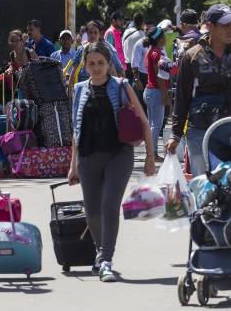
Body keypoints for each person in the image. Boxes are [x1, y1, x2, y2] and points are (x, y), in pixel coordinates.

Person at [68, 42, 156, 282]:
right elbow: (76, 130)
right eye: (91, 64)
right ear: (84, 66)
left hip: (119, 154)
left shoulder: (121, 86)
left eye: (101, 63)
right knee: (92, 211)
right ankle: (99, 251)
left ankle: (106, 259)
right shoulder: (79, 90)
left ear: (109, 64)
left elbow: (144, 122)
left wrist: (150, 157)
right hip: (88, 156)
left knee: (109, 206)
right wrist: (72, 165)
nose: (96, 68)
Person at [166, 4, 231, 176]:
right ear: (210, 25)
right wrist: (176, 134)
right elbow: (182, 97)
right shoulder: (191, 56)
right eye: (224, 25)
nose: (230, 29)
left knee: (230, 183)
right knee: (202, 184)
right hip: (198, 130)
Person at [67, 20, 125, 94]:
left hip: (102, 90)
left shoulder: (106, 50)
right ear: (87, 34)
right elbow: (74, 71)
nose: (93, 35)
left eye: (95, 32)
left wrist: (116, 91)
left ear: (100, 34)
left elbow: (113, 71)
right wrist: (70, 90)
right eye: (90, 32)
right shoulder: (81, 50)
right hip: (84, 91)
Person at [143, 26, 170, 161]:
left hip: (151, 91)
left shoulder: (152, 51)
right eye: (164, 35)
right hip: (155, 91)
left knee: (152, 124)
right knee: (156, 125)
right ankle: (152, 153)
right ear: (160, 38)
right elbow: (159, 76)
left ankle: (151, 152)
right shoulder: (156, 54)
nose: (166, 38)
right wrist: (164, 94)